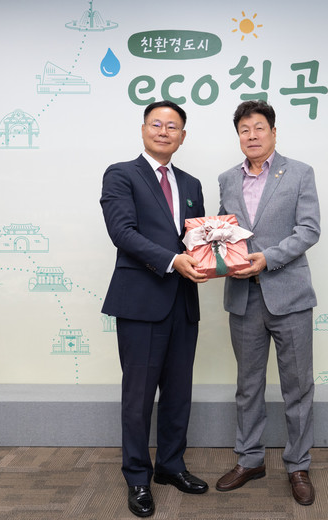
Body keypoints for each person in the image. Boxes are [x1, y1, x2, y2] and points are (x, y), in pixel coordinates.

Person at [100, 100, 209, 518]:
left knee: (179, 393)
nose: (164, 131)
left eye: (173, 126)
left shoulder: (191, 183)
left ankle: (171, 465)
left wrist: (216, 254)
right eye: (157, 124)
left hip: (183, 301)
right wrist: (172, 260)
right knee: (139, 397)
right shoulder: (121, 174)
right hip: (141, 300)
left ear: (183, 136)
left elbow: (196, 238)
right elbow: (122, 232)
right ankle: (137, 477)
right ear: (144, 129)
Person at [215, 100, 321, 506]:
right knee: (248, 386)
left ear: (273, 132)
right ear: (238, 136)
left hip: (289, 295)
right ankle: (250, 460)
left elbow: (308, 230)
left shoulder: (299, 173)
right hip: (243, 298)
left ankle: (298, 465)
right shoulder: (227, 179)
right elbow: (224, 231)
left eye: (259, 128)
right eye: (244, 130)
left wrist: (268, 258)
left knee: (298, 387)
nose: (252, 135)